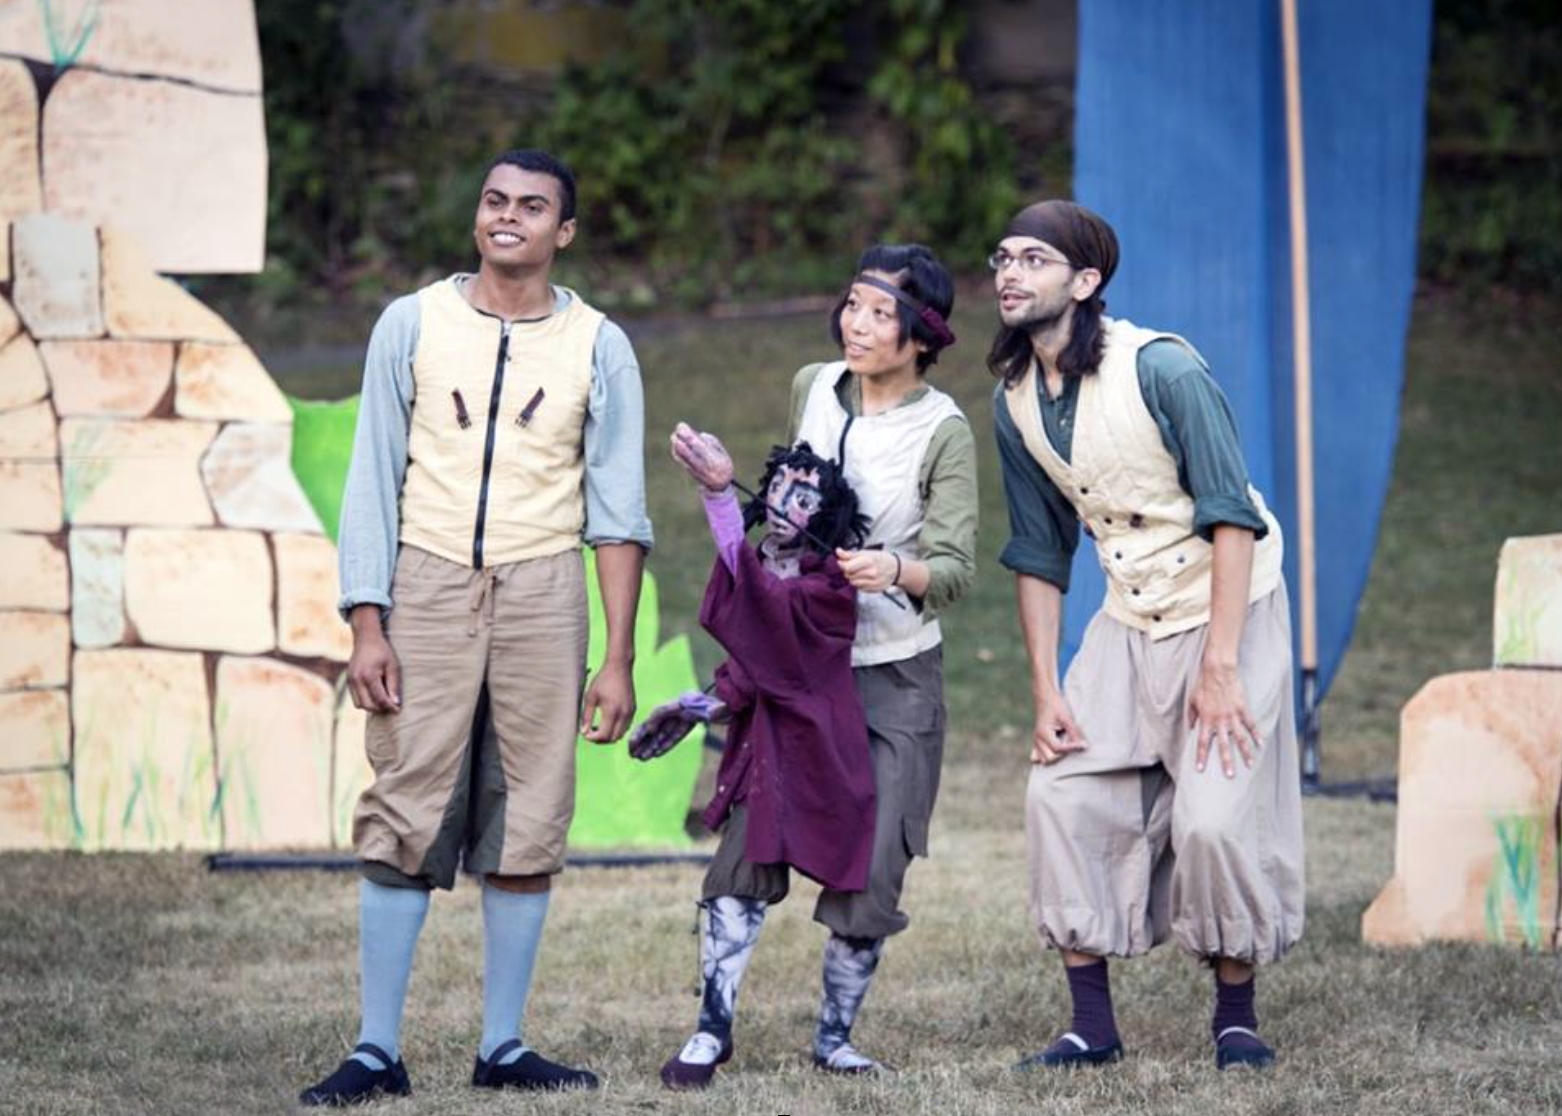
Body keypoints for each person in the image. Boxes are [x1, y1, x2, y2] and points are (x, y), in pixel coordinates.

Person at [298, 149, 652, 1106]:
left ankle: (503, 1045)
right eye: (495, 200)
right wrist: (368, 622)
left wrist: (617, 659)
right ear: (477, 216)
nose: (508, 217)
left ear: (562, 231)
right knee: (405, 801)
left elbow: (619, 510)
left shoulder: (599, 344)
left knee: (533, 808)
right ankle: (376, 1050)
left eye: (532, 207)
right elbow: (372, 479)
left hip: (546, 586)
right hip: (426, 579)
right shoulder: (411, 322)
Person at [989, 199, 1303, 1072]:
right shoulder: (1014, 400)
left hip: (1228, 608)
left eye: (1034, 260)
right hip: (1129, 618)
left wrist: (1222, 666)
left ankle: (1235, 1020)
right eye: (1003, 258)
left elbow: (1232, 516)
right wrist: (1047, 691)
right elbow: (1038, 551)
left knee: (1214, 822)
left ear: (1085, 282)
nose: (1010, 273)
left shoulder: (1163, 368)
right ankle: (1092, 1028)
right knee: (1059, 797)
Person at [631, 431, 876, 1089]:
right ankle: (712, 1028)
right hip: (765, 757)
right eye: (780, 488)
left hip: (826, 759)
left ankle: (835, 1038)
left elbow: (776, 633)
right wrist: (701, 705)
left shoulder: (831, 587)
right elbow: (752, 655)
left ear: (827, 515)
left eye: (806, 497)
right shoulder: (764, 566)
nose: (787, 503)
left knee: (862, 891)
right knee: (732, 881)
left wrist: (718, 501)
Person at [788, 244, 978, 1074]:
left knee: (880, 855)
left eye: (880, 314)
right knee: (754, 834)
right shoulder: (812, 387)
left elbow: (957, 571)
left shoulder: (944, 431)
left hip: (897, 667)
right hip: (803, 656)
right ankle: (711, 1025)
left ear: (922, 336)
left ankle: (834, 1037)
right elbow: (785, 506)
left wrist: (896, 569)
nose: (856, 326)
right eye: (852, 306)